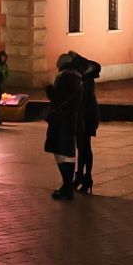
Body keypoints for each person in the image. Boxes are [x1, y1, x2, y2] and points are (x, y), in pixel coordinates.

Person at [43, 55, 82, 198]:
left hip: (62, 121)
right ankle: (67, 186)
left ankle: (67, 187)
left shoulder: (66, 78)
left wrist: (48, 86)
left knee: (62, 152)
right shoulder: (76, 77)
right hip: (69, 119)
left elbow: (58, 97)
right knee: (67, 152)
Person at [70, 52, 102, 194]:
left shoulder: (86, 80)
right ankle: (83, 177)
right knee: (83, 148)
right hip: (86, 118)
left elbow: (82, 102)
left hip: (85, 119)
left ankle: (84, 177)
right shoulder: (87, 77)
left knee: (84, 148)